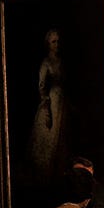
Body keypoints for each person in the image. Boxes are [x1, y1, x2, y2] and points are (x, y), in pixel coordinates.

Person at [31, 29, 67, 183]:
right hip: (51, 101)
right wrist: (46, 104)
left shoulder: (61, 61)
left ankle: (61, 173)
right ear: (48, 44)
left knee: (63, 136)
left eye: (58, 41)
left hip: (62, 101)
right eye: (54, 42)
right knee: (51, 136)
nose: (57, 45)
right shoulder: (46, 63)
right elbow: (41, 86)